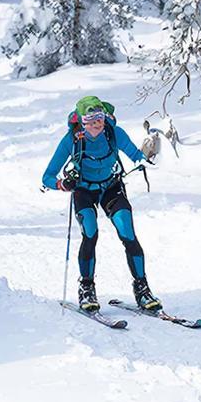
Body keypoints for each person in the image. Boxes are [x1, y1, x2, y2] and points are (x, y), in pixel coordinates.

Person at [41, 95, 159, 312]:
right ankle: (86, 288)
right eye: (91, 119)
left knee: (128, 233)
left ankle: (142, 289)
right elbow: (47, 177)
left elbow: (135, 155)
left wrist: (145, 162)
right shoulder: (72, 140)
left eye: (100, 118)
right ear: (81, 121)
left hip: (111, 187)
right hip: (84, 190)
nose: (97, 123)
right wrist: (63, 184)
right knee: (90, 234)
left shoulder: (114, 133)